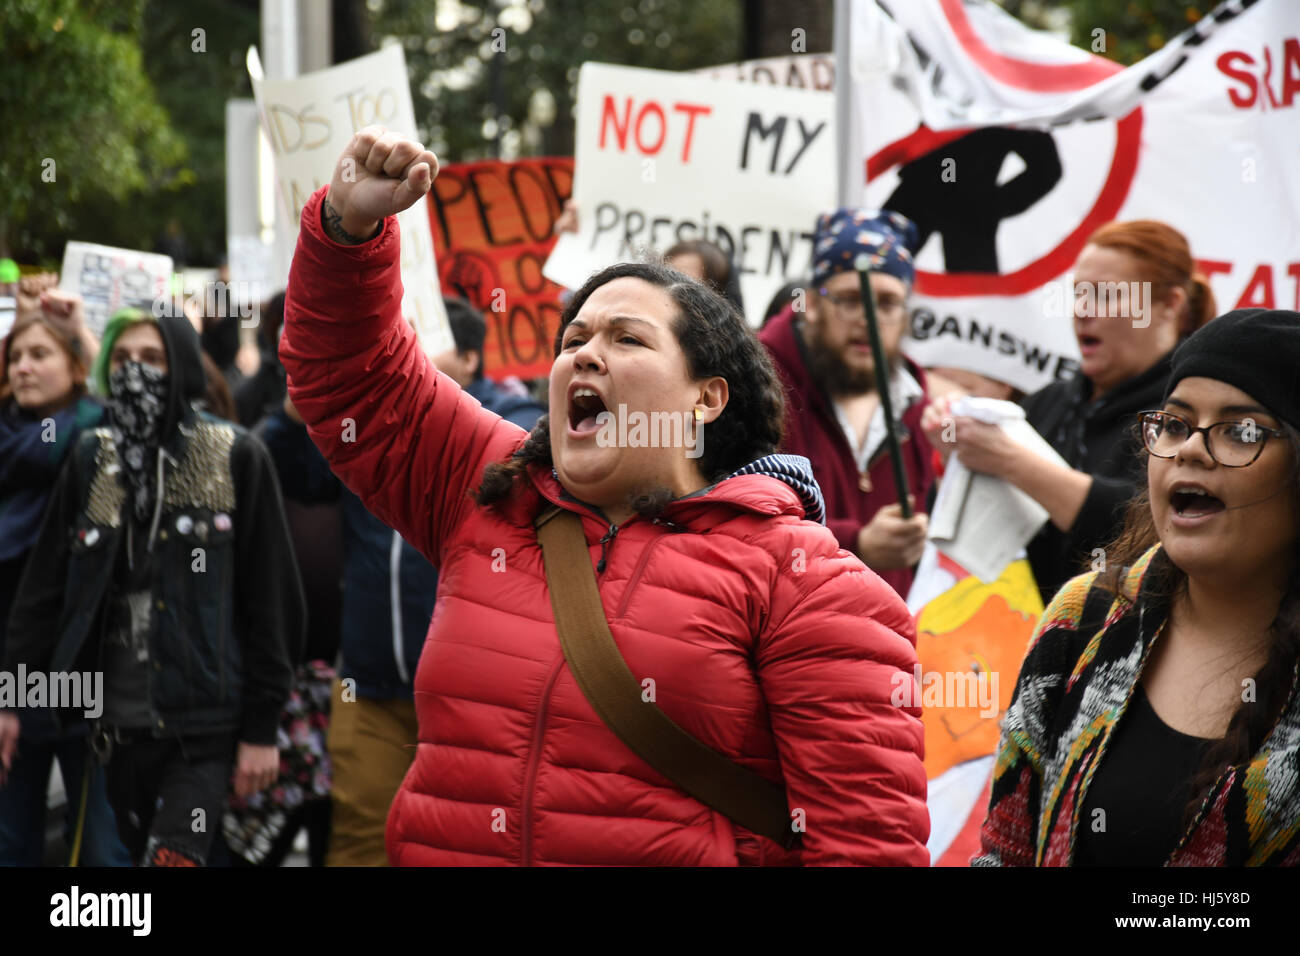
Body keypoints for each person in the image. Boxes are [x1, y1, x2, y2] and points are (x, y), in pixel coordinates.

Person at [279, 126, 929, 866]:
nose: (584, 352)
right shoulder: (494, 486)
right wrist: (347, 230)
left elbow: (865, 846)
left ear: (707, 398)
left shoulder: (811, 586)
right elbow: (355, 381)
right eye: (575, 338)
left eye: (627, 339)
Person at [976, 308, 1300, 866]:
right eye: (1174, 424)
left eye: (1240, 430)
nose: (1191, 450)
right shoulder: (1083, 617)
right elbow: (1003, 852)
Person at [0, 306, 305, 866]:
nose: (134, 370)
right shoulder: (93, 457)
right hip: (107, 730)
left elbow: (273, 604)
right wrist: (14, 699)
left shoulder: (234, 454)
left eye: (152, 359)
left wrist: (262, 729)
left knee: (174, 861)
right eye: (121, 359)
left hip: (202, 729)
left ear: (184, 367)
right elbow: (43, 593)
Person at [925, 220, 1217, 604]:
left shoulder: (1193, 414)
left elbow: (1144, 525)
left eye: (1105, 296)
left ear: (1169, 305)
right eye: (1079, 294)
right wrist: (962, 459)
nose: (1082, 310)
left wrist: (1011, 461)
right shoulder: (1048, 402)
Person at [0, 296, 130, 866]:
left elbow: (143, 411)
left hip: (90, 680)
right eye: (15, 357)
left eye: (40, 354)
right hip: (11, 683)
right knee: (10, 843)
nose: (23, 367)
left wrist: (83, 329)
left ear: (77, 365)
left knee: (101, 849)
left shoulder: (101, 435)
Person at [759, 208, 934, 597]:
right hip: (783, 641)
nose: (868, 320)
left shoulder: (916, 404)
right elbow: (740, 528)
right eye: (850, 300)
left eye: (887, 303)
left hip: (886, 647)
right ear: (815, 304)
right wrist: (857, 544)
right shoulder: (757, 381)